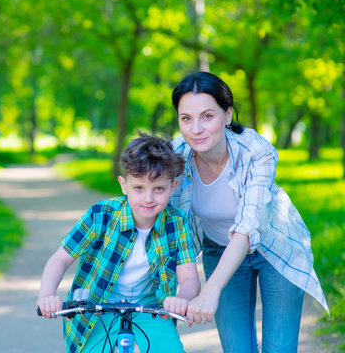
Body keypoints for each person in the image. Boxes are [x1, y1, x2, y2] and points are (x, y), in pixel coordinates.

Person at [169, 71, 329, 352]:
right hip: (219, 251)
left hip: (275, 250)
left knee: (278, 348)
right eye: (186, 118)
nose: (196, 129)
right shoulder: (176, 156)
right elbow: (154, 213)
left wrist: (210, 290)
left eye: (207, 116)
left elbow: (247, 225)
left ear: (228, 115)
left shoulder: (256, 151)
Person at [37, 132, 201, 353]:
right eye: (139, 188)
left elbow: (190, 278)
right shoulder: (102, 215)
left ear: (173, 186)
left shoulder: (176, 223)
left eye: (159, 189)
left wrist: (181, 298)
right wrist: (47, 294)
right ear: (124, 185)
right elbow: (60, 259)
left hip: (151, 310)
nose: (148, 198)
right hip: (96, 310)